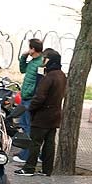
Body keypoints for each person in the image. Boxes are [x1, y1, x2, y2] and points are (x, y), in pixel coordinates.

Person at [15, 49, 67, 177]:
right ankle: (47, 169)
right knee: (49, 144)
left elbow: (39, 97)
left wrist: (31, 108)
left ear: (49, 60)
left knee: (35, 143)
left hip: (42, 116)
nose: (42, 61)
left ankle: (29, 168)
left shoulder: (49, 77)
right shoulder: (61, 75)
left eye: (44, 58)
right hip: (54, 115)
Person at [12, 38, 44, 164]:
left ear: (33, 49)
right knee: (25, 126)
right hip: (25, 98)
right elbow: (22, 69)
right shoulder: (33, 62)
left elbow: (40, 82)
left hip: (30, 99)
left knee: (28, 127)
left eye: (29, 48)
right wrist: (23, 58)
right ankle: (32, 153)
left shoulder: (40, 63)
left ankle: (26, 155)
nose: (28, 50)